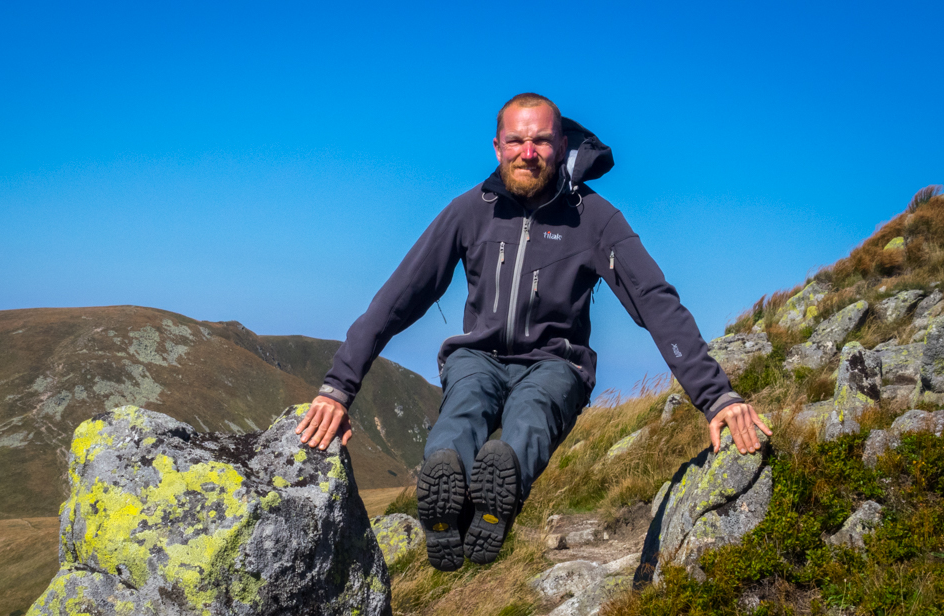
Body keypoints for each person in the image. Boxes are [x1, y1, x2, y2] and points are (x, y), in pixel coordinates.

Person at [296, 93, 771, 571]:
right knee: (463, 408)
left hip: (555, 361)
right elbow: (397, 298)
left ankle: (495, 502)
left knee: (532, 415)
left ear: (561, 144)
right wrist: (339, 387)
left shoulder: (594, 217)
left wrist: (717, 397)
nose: (529, 152)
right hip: (477, 356)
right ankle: (447, 501)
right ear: (498, 146)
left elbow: (654, 299)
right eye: (517, 141)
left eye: (541, 141)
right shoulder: (469, 211)